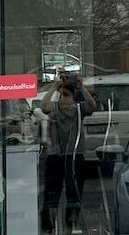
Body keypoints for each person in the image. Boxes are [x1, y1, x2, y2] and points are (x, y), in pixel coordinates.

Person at [39, 73, 95, 234]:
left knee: (74, 191)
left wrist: (81, 87)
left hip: (74, 155)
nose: (62, 98)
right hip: (56, 156)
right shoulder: (55, 110)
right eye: (61, 95)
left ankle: (71, 222)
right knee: (52, 191)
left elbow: (91, 106)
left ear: (73, 97)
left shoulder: (78, 110)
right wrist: (53, 88)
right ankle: (48, 224)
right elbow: (42, 107)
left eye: (66, 95)